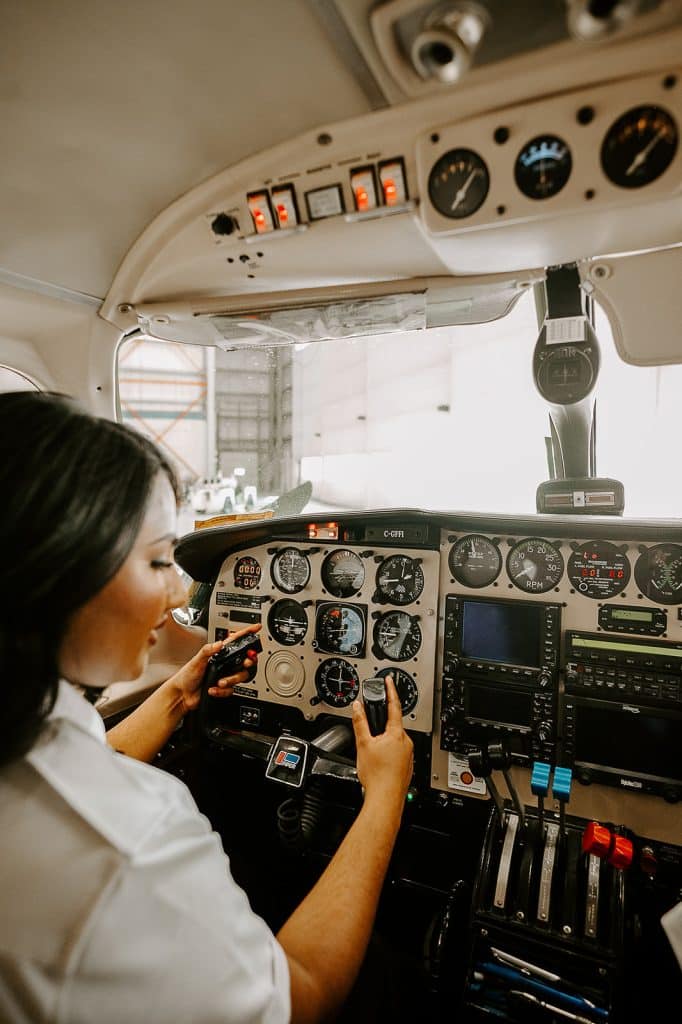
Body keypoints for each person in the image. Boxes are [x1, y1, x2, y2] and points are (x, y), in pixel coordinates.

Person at [0, 391, 414, 1024]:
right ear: (60, 574)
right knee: (389, 974)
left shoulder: (23, 729)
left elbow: (70, 770)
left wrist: (176, 695)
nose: (176, 594)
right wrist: (384, 797)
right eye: (160, 560)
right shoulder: (135, 840)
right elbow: (298, 996)